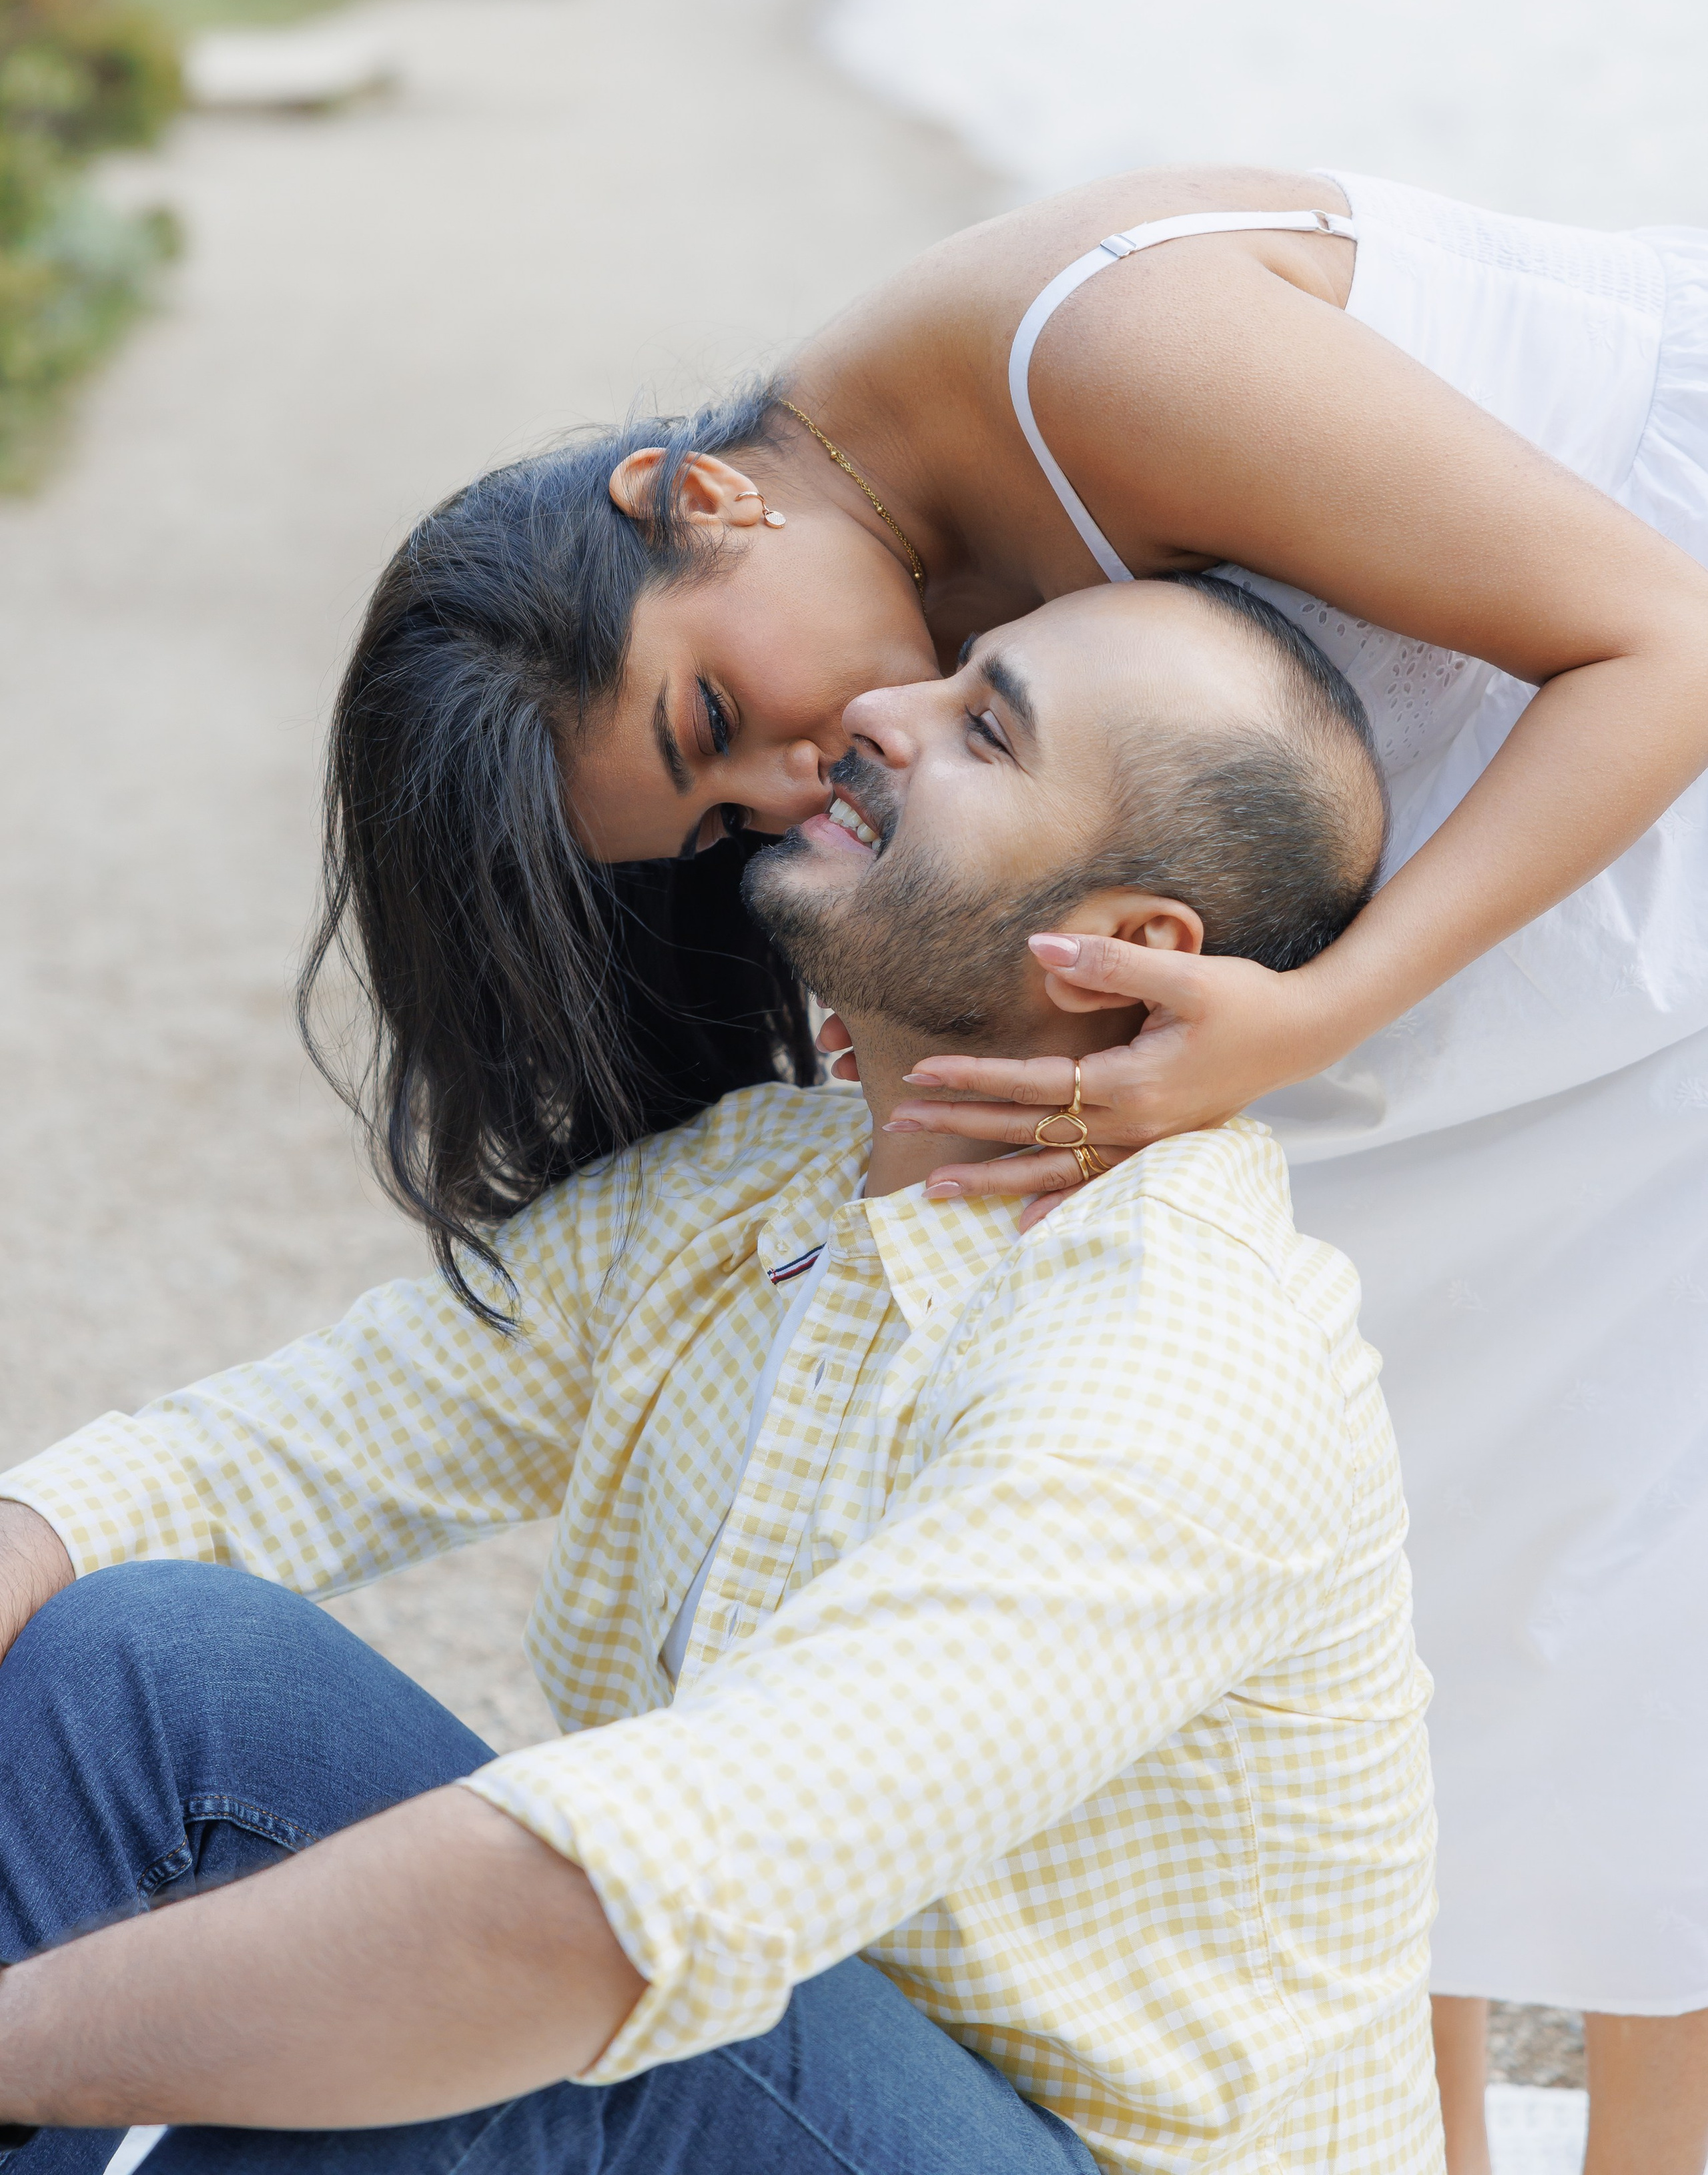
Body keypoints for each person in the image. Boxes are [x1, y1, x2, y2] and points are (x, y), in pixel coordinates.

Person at [299, 163, 1708, 2174]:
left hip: (1645, 713)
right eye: (719, 821)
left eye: (713, 713)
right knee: (1410, 1485)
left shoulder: (1100, 360)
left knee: (1643, 1527)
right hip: (1501, 788)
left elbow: (1665, 637)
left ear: (693, 502)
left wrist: (1320, 1013)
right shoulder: (885, 601)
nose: (794, 783)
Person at [0, 582, 1441, 2174]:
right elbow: (254, 1460)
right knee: (153, 1656)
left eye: (982, 728)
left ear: (1112, 952)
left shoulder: (1174, 1368)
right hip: (816, 2072)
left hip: (1064, 2156)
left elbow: (614, 1911)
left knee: (482, 2000)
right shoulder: (759, 1190)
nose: (881, 715)